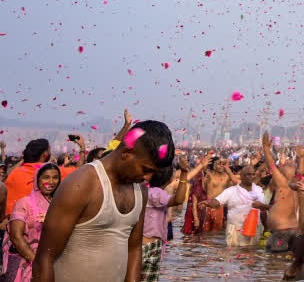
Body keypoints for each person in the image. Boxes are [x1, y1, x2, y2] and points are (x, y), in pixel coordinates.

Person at [32, 120, 175, 282]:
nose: (147, 178)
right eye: (146, 169)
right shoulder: (82, 184)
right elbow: (44, 258)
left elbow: (134, 249)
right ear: (127, 153)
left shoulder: (140, 190)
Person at [141, 153, 206, 282]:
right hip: (149, 245)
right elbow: (179, 199)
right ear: (168, 178)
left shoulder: (146, 190)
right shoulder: (155, 193)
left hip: (147, 243)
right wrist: (183, 172)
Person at [6, 163, 61, 282]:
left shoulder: (59, 204)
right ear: (37, 179)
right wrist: (36, 263)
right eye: (46, 177)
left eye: (55, 177)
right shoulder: (25, 203)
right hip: (27, 263)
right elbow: (16, 237)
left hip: (53, 263)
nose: (51, 182)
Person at [205, 163, 270, 248]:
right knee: (234, 256)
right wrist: (209, 203)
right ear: (241, 176)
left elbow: (263, 211)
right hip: (235, 230)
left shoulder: (258, 190)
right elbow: (218, 201)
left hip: (253, 228)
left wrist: (266, 227)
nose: (251, 176)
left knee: (252, 256)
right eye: (248, 174)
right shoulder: (231, 191)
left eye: (253, 174)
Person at [261, 133, 302, 254]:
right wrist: (301, 158)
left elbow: (272, 167)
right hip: (291, 231)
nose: (285, 164)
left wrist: (266, 148)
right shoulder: (298, 185)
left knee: (276, 264)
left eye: (289, 165)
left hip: (282, 233)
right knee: (285, 262)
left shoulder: (285, 184)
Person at [5, 140, 51, 214]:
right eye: (49, 150)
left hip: (11, 220)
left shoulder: (14, 173)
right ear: (45, 154)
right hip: (35, 221)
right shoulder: (47, 172)